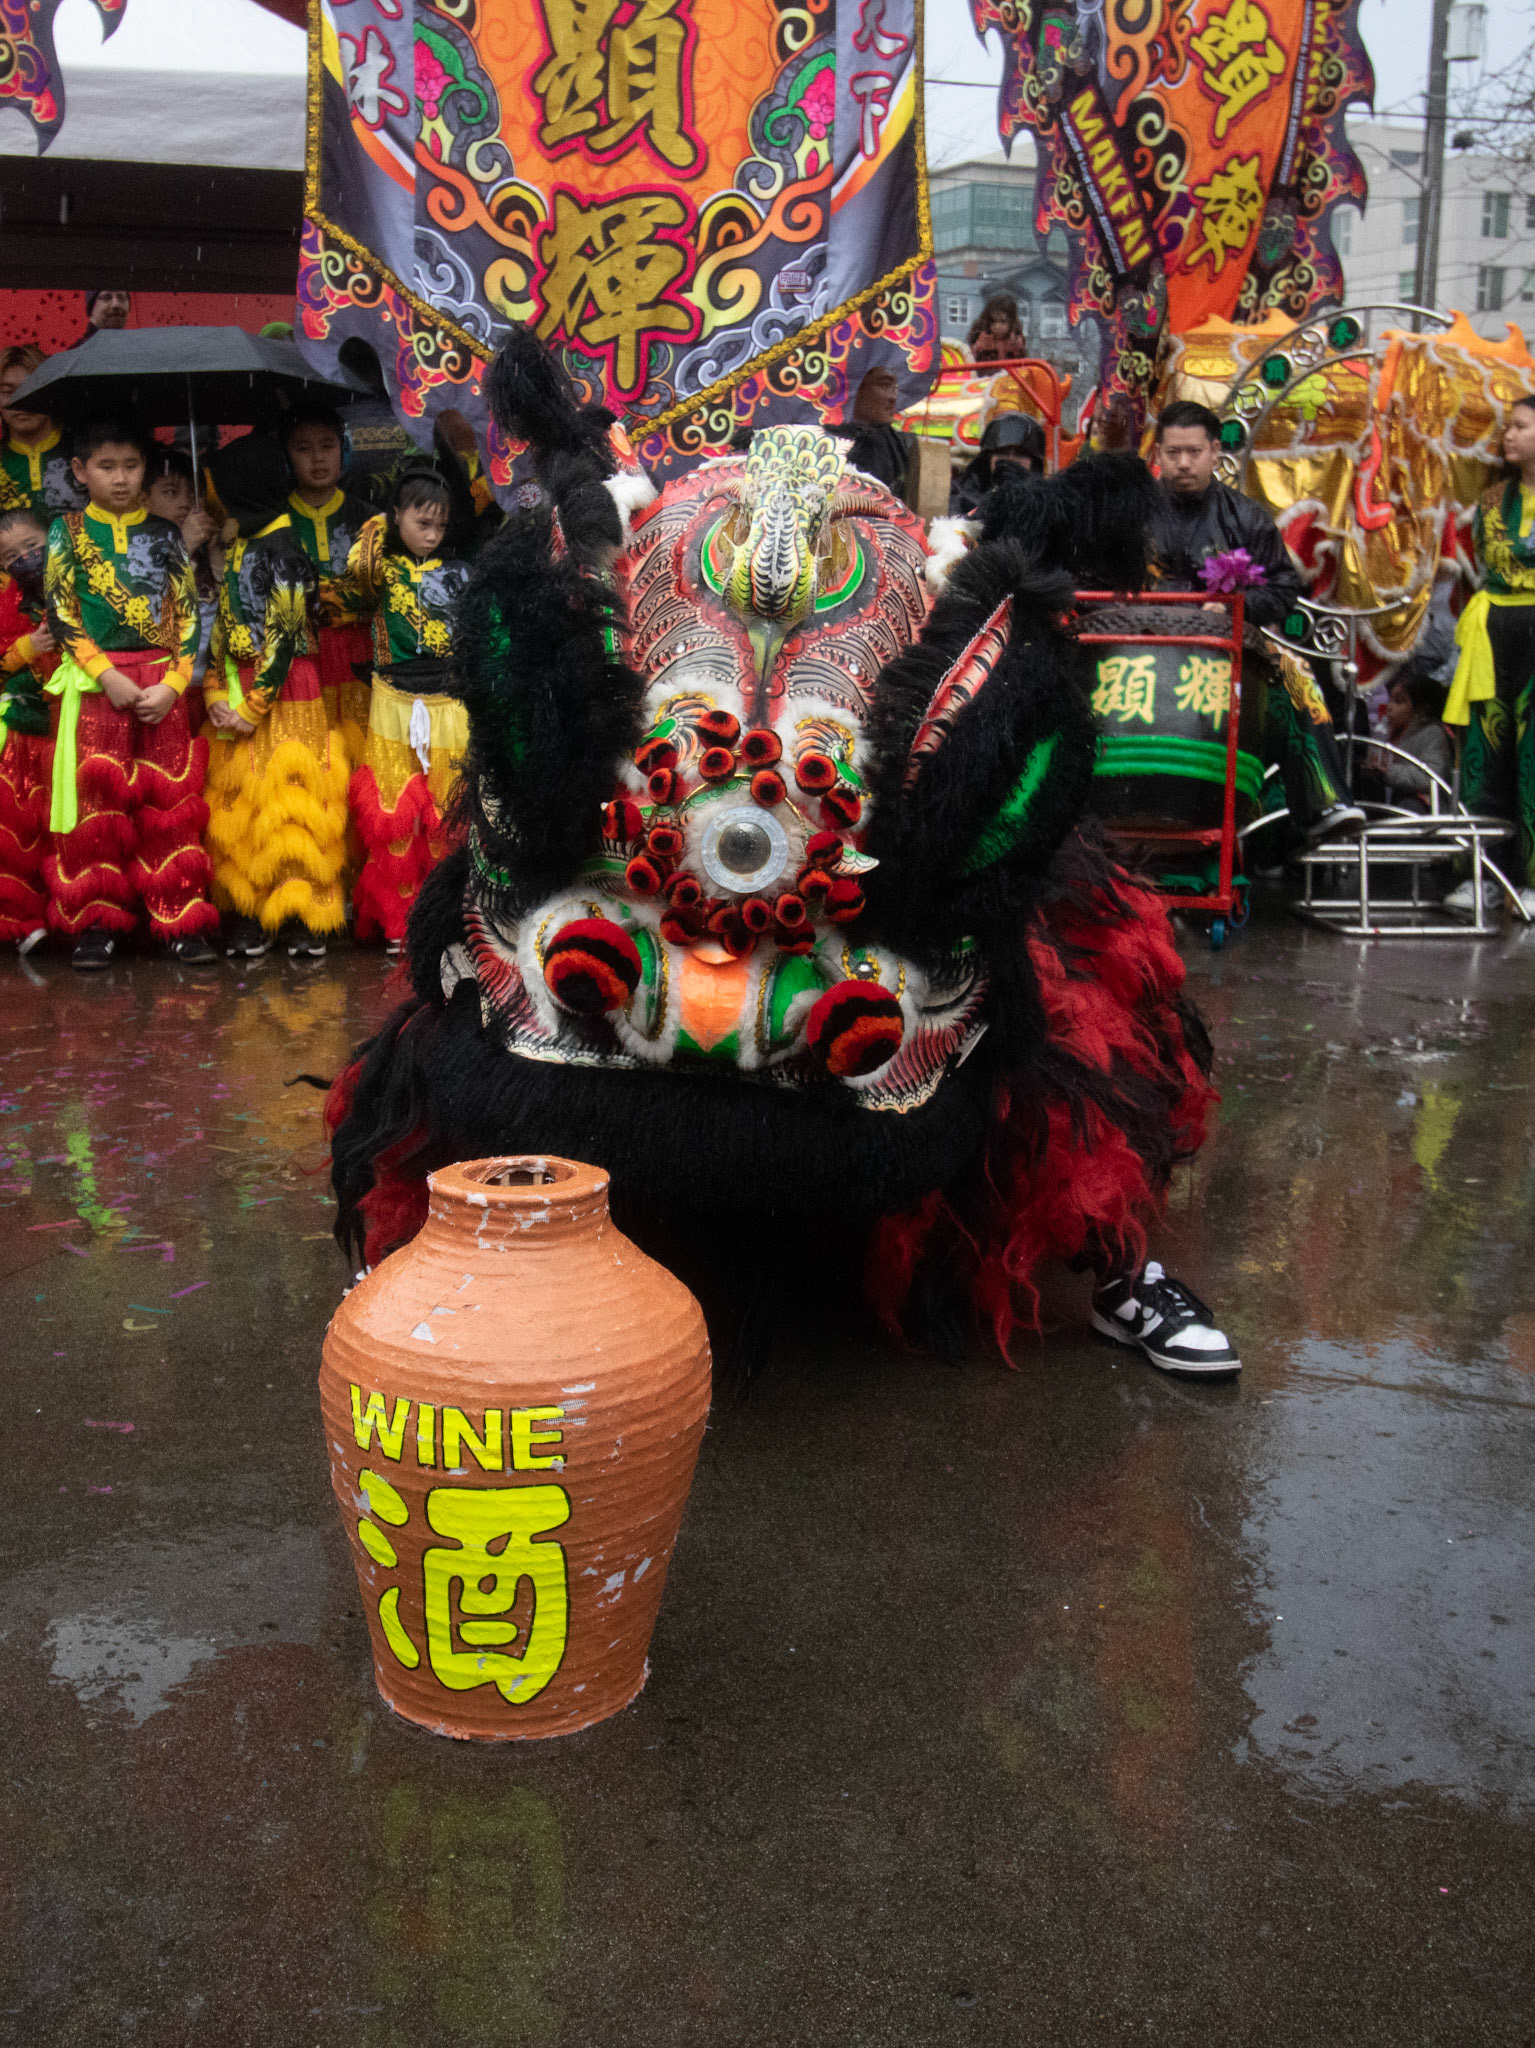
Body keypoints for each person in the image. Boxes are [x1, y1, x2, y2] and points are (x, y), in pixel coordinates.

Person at [42, 418, 219, 968]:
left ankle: (179, 918)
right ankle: (97, 923)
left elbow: (187, 613)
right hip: (100, 685)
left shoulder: (165, 534)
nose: (120, 478)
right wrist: (105, 673)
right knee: (98, 805)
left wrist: (174, 683)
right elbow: (60, 611)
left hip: (161, 684)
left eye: (131, 466)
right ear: (80, 471)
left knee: (169, 805)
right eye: (106, 466)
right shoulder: (66, 532)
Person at [1150, 399, 1364, 843]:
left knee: (1295, 671)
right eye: (1173, 453)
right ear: (1158, 454)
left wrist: (1235, 606)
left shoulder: (1246, 517)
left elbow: (1284, 591)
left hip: (1228, 653)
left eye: (1194, 452)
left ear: (1215, 451)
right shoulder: (1134, 514)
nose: (1184, 463)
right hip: (1144, 650)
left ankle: (1323, 798)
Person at [203, 436, 349, 961]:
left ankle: (304, 914)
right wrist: (214, 687)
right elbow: (223, 624)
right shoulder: (239, 545)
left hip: (287, 693)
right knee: (245, 802)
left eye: (218, 490)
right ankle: (251, 908)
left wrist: (254, 705)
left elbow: (285, 637)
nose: (214, 501)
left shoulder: (285, 552)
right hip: (238, 687)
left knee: (293, 801)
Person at [344, 464, 470, 948]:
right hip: (392, 701)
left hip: (448, 704)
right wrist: (377, 527)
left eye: (441, 525)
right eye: (422, 523)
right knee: (393, 809)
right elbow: (357, 571)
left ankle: (445, 915)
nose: (432, 535)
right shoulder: (381, 572)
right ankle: (398, 916)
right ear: (397, 515)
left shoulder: (460, 573)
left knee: (446, 807)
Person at [1444, 392, 1535, 916]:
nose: (1509, 435)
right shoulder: (1493, 499)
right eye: (1509, 426)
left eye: (1521, 426)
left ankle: (1532, 880)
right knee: (1485, 757)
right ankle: (1481, 875)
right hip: (1494, 632)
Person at [279, 402, 375, 759]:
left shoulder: (370, 518)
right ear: (287, 456)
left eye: (327, 445)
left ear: (343, 449)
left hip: (359, 651)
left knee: (362, 750)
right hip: (301, 656)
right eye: (303, 448)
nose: (317, 458)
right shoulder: (276, 523)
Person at [0, 507, 59, 952]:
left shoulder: (83, 585)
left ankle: (77, 916)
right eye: (10, 556)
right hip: (25, 734)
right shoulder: (6, 603)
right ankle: (22, 921)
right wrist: (28, 646)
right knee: (23, 828)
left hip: (80, 725)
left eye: (32, 546)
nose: (25, 558)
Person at [0, 346, 87, 518]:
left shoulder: (85, 451)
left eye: (30, 388)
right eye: (8, 392)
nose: (20, 400)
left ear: (50, 391)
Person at [1372, 666, 1452, 810]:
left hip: (1420, 808)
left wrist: (1389, 770)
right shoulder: (1386, 731)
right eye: (1390, 700)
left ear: (1421, 710)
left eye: (1399, 702)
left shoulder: (1432, 733)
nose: (1389, 707)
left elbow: (1431, 777)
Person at [949, 412, 1047, 516]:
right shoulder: (962, 496)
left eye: (1020, 454)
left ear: (1034, 462)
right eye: (1002, 453)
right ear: (988, 459)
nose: (1011, 460)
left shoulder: (1045, 504)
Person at [838, 366, 915, 496]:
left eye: (895, 387)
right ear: (857, 388)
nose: (893, 397)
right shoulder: (829, 439)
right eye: (884, 385)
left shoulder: (896, 442)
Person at [967, 293, 1026, 363]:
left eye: (1003, 321)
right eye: (993, 321)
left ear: (1012, 322)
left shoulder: (1016, 341)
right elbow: (972, 361)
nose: (997, 326)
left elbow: (1022, 364)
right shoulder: (982, 340)